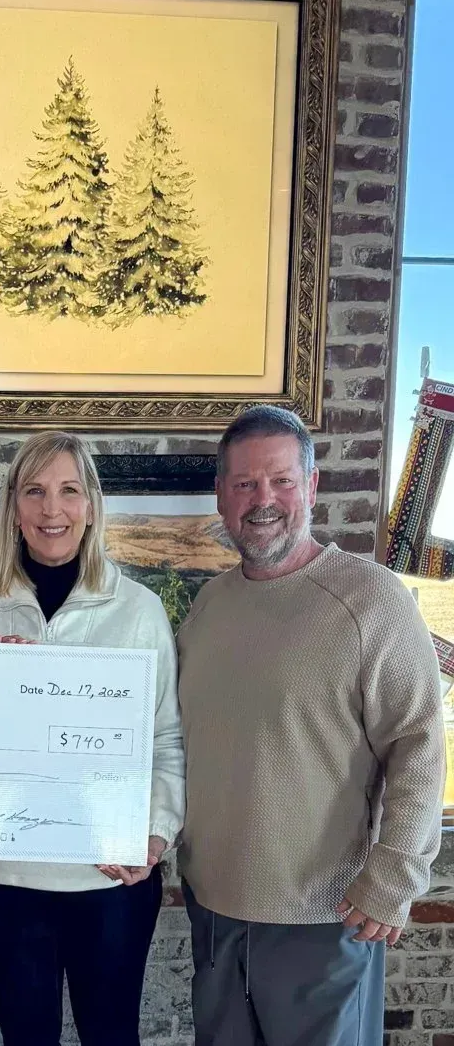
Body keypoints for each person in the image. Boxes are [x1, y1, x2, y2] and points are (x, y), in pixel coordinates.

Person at [177, 404, 446, 1046]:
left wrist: (395, 874)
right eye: (245, 483)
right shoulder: (208, 606)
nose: (262, 500)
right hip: (213, 910)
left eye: (281, 481)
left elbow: (418, 743)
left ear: (312, 486)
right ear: (221, 494)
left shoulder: (370, 600)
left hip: (325, 919)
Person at [0, 430, 185, 1046]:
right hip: (6, 878)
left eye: (69, 491)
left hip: (109, 880)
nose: (52, 509)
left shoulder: (139, 611)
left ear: (92, 506)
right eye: (35, 491)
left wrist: (155, 833)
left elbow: (166, 738)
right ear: (14, 508)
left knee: (112, 1037)